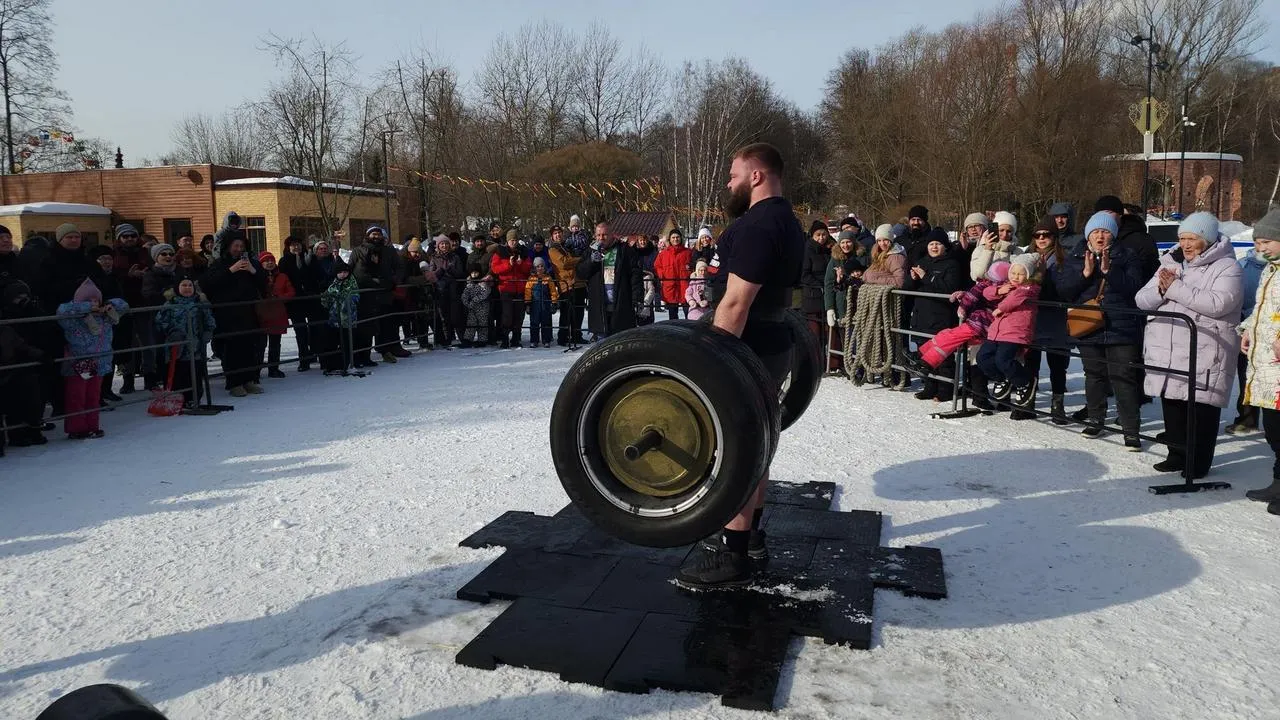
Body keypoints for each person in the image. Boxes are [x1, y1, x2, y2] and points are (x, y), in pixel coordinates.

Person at [675, 142, 805, 591]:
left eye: (733, 175)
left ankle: (733, 556)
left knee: (737, 450)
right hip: (771, 343)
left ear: (756, 176)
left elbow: (735, 302)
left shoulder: (758, 224)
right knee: (758, 445)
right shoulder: (787, 220)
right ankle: (748, 539)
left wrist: (715, 362)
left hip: (748, 348)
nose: (728, 183)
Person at [1135, 212, 1242, 479]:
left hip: (1204, 349)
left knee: (1200, 410)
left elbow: (1218, 304)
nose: (1185, 244)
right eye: (1182, 238)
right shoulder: (1170, 262)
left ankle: (1198, 462)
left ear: (1206, 239)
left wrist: (1173, 289)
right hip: (1168, 349)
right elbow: (1141, 299)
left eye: (1191, 238)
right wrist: (1161, 290)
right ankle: (1176, 455)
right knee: (1172, 406)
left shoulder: (1228, 267)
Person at [1055, 211, 1146, 449]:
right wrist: (1085, 275)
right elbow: (1064, 292)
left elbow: (1135, 289)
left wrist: (1110, 272)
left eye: (1105, 231)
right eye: (1095, 231)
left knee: (1123, 377)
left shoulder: (1127, 255)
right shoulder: (1076, 255)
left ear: (1113, 235)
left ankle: (1130, 429)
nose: (1100, 236)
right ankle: (1096, 419)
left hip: (1121, 327)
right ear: (1088, 234)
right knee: (1093, 375)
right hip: (1088, 325)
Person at [1239, 209, 1280, 512]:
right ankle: (1278, 483)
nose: (1260, 248)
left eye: (1267, 241)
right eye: (1256, 243)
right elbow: (1262, 309)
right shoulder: (1270, 271)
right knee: (1274, 430)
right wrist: (1247, 329)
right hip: (1265, 362)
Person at [56, 278, 127, 439]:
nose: (93, 303)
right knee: (76, 396)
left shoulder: (106, 317)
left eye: (96, 300)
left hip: (99, 362)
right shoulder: (73, 320)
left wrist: (109, 304)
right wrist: (86, 307)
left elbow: (124, 306)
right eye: (88, 300)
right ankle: (77, 428)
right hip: (78, 362)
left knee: (94, 396)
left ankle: (92, 425)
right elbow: (61, 311)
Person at [202, 236, 268, 397]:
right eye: (236, 245)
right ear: (228, 247)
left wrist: (253, 271)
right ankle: (234, 382)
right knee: (232, 349)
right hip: (227, 313)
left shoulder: (251, 263)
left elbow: (264, 284)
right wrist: (232, 269)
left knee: (251, 347)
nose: (239, 249)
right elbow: (209, 283)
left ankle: (249, 379)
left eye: (242, 246)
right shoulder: (219, 263)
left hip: (248, 310)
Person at [976, 254, 1042, 417]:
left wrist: (1001, 308)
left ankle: (1024, 382)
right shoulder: (1008, 285)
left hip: (1015, 332)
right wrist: (1000, 289)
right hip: (997, 331)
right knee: (982, 358)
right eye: (1013, 273)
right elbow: (986, 292)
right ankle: (1001, 379)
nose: (1016, 277)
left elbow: (1015, 299)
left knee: (1003, 360)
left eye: (1020, 274)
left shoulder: (1029, 288)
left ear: (1028, 275)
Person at [906, 229, 967, 402]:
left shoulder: (952, 264)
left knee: (943, 355)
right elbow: (908, 288)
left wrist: (926, 277)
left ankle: (946, 389)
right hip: (921, 314)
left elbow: (949, 288)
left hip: (941, 316)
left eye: (938, 244)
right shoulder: (921, 262)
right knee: (925, 353)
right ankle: (930, 386)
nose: (934, 247)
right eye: (931, 244)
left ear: (945, 246)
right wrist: (912, 279)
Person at [1022, 217, 1072, 423]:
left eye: (1046, 235)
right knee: (1030, 362)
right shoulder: (1027, 256)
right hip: (1032, 317)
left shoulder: (1063, 259)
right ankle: (1028, 402)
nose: (1042, 239)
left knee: (1057, 364)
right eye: (1037, 235)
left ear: (1054, 237)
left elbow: (1066, 289)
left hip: (1056, 318)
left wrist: (1044, 277)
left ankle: (1057, 405)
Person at [153, 277, 216, 408]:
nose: (187, 288)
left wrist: (207, 332)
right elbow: (160, 322)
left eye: (190, 285)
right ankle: (175, 399)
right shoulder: (170, 305)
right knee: (177, 373)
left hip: (195, 346)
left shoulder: (199, 304)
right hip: (176, 346)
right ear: (177, 288)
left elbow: (209, 320)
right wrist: (170, 332)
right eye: (184, 285)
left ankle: (193, 398)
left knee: (194, 372)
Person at [1227, 238, 1268, 435]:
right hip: (1247, 329)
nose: (1261, 246)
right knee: (1246, 376)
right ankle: (1247, 419)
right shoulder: (1244, 263)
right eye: (1258, 241)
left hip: (1270, 331)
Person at [577, 222, 643, 341]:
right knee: (603, 345)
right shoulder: (590, 251)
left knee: (621, 342)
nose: (601, 238)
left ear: (612, 234)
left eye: (605, 235)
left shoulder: (624, 250)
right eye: (598, 235)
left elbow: (635, 275)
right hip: (599, 306)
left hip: (621, 304)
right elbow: (581, 273)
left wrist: (637, 298)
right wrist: (591, 261)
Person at [256, 251, 295, 380]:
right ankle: (256, 370)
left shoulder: (282, 276)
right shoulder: (257, 277)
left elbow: (291, 292)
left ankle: (274, 368)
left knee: (275, 343)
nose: (269, 263)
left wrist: (279, 298)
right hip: (261, 313)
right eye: (266, 261)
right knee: (260, 344)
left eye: (271, 260)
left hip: (277, 312)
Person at [320, 258, 361, 375]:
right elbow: (327, 299)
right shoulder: (333, 284)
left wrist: (348, 300)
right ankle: (333, 364)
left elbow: (355, 295)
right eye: (340, 272)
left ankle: (348, 363)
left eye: (345, 272)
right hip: (335, 319)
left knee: (347, 342)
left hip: (348, 318)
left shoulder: (352, 282)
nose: (343, 275)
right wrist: (325, 298)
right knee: (334, 342)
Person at [491, 233, 532, 349]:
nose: (513, 242)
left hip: (520, 288)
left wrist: (520, 264)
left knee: (519, 315)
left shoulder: (523, 252)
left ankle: (516, 338)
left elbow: (528, 268)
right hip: (506, 288)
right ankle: (505, 339)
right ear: (507, 241)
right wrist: (508, 265)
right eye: (511, 240)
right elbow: (495, 268)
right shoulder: (500, 252)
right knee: (507, 315)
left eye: (515, 240)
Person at [654, 229, 693, 320]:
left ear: (681, 238)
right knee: (672, 314)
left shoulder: (688, 252)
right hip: (670, 286)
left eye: (677, 237)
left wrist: (690, 272)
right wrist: (662, 275)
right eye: (673, 237)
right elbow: (657, 266)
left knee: (688, 311)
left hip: (685, 285)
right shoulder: (663, 254)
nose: (675, 239)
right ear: (670, 239)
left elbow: (694, 265)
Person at [970, 211, 1019, 282]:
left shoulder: (1018, 252)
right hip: (985, 291)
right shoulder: (980, 250)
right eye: (1001, 230)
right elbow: (977, 276)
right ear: (995, 230)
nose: (1005, 234)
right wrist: (987, 251)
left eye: (1009, 231)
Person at [524, 257, 560, 348]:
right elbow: (527, 292)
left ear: (544, 268)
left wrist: (554, 302)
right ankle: (534, 340)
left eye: (541, 266)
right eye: (537, 266)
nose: (540, 268)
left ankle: (546, 340)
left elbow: (553, 291)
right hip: (535, 304)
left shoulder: (548, 278)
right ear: (534, 268)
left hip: (545, 304)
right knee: (534, 322)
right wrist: (527, 303)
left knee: (546, 322)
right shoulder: (531, 279)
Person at [460, 269, 491, 348]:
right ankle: (468, 339)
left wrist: (474, 301)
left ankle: (482, 340)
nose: (474, 274)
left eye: (476, 272)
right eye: (472, 272)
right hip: (472, 308)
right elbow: (465, 294)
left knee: (482, 323)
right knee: (471, 323)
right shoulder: (469, 284)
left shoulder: (484, 284)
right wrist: (466, 302)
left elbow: (484, 294)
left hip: (482, 307)